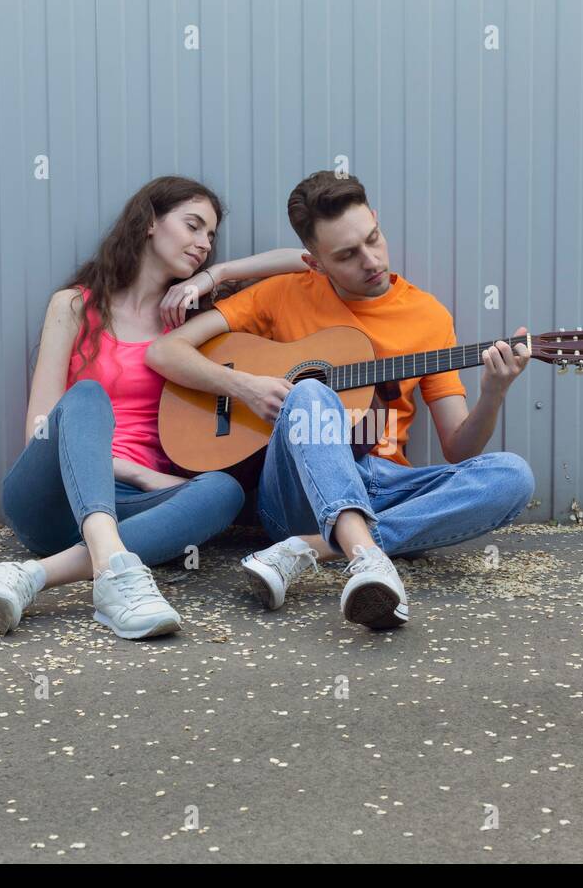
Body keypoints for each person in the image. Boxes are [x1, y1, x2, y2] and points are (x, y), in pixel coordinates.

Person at [146, 171, 535, 631]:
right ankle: (367, 555)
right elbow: (165, 351)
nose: (370, 261)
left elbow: (459, 449)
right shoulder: (280, 293)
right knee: (311, 390)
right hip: (293, 494)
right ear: (314, 262)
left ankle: (310, 550)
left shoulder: (427, 316)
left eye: (373, 239)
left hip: (380, 484)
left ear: (375, 220)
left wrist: (494, 393)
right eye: (346, 256)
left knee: (512, 475)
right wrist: (245, 386)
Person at [0, 176, 307, 639]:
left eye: (211, 236)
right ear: (148, 223)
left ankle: (33, 576)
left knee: (223, 490)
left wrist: (216, 276)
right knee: (86, 397)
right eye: (193, 226)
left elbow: (312, 265)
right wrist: (140, 473)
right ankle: (111, 569)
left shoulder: (194, 327)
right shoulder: (74, 306)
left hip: (137, 514)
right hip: (54, 495)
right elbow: (40, 429)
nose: (204, 243)